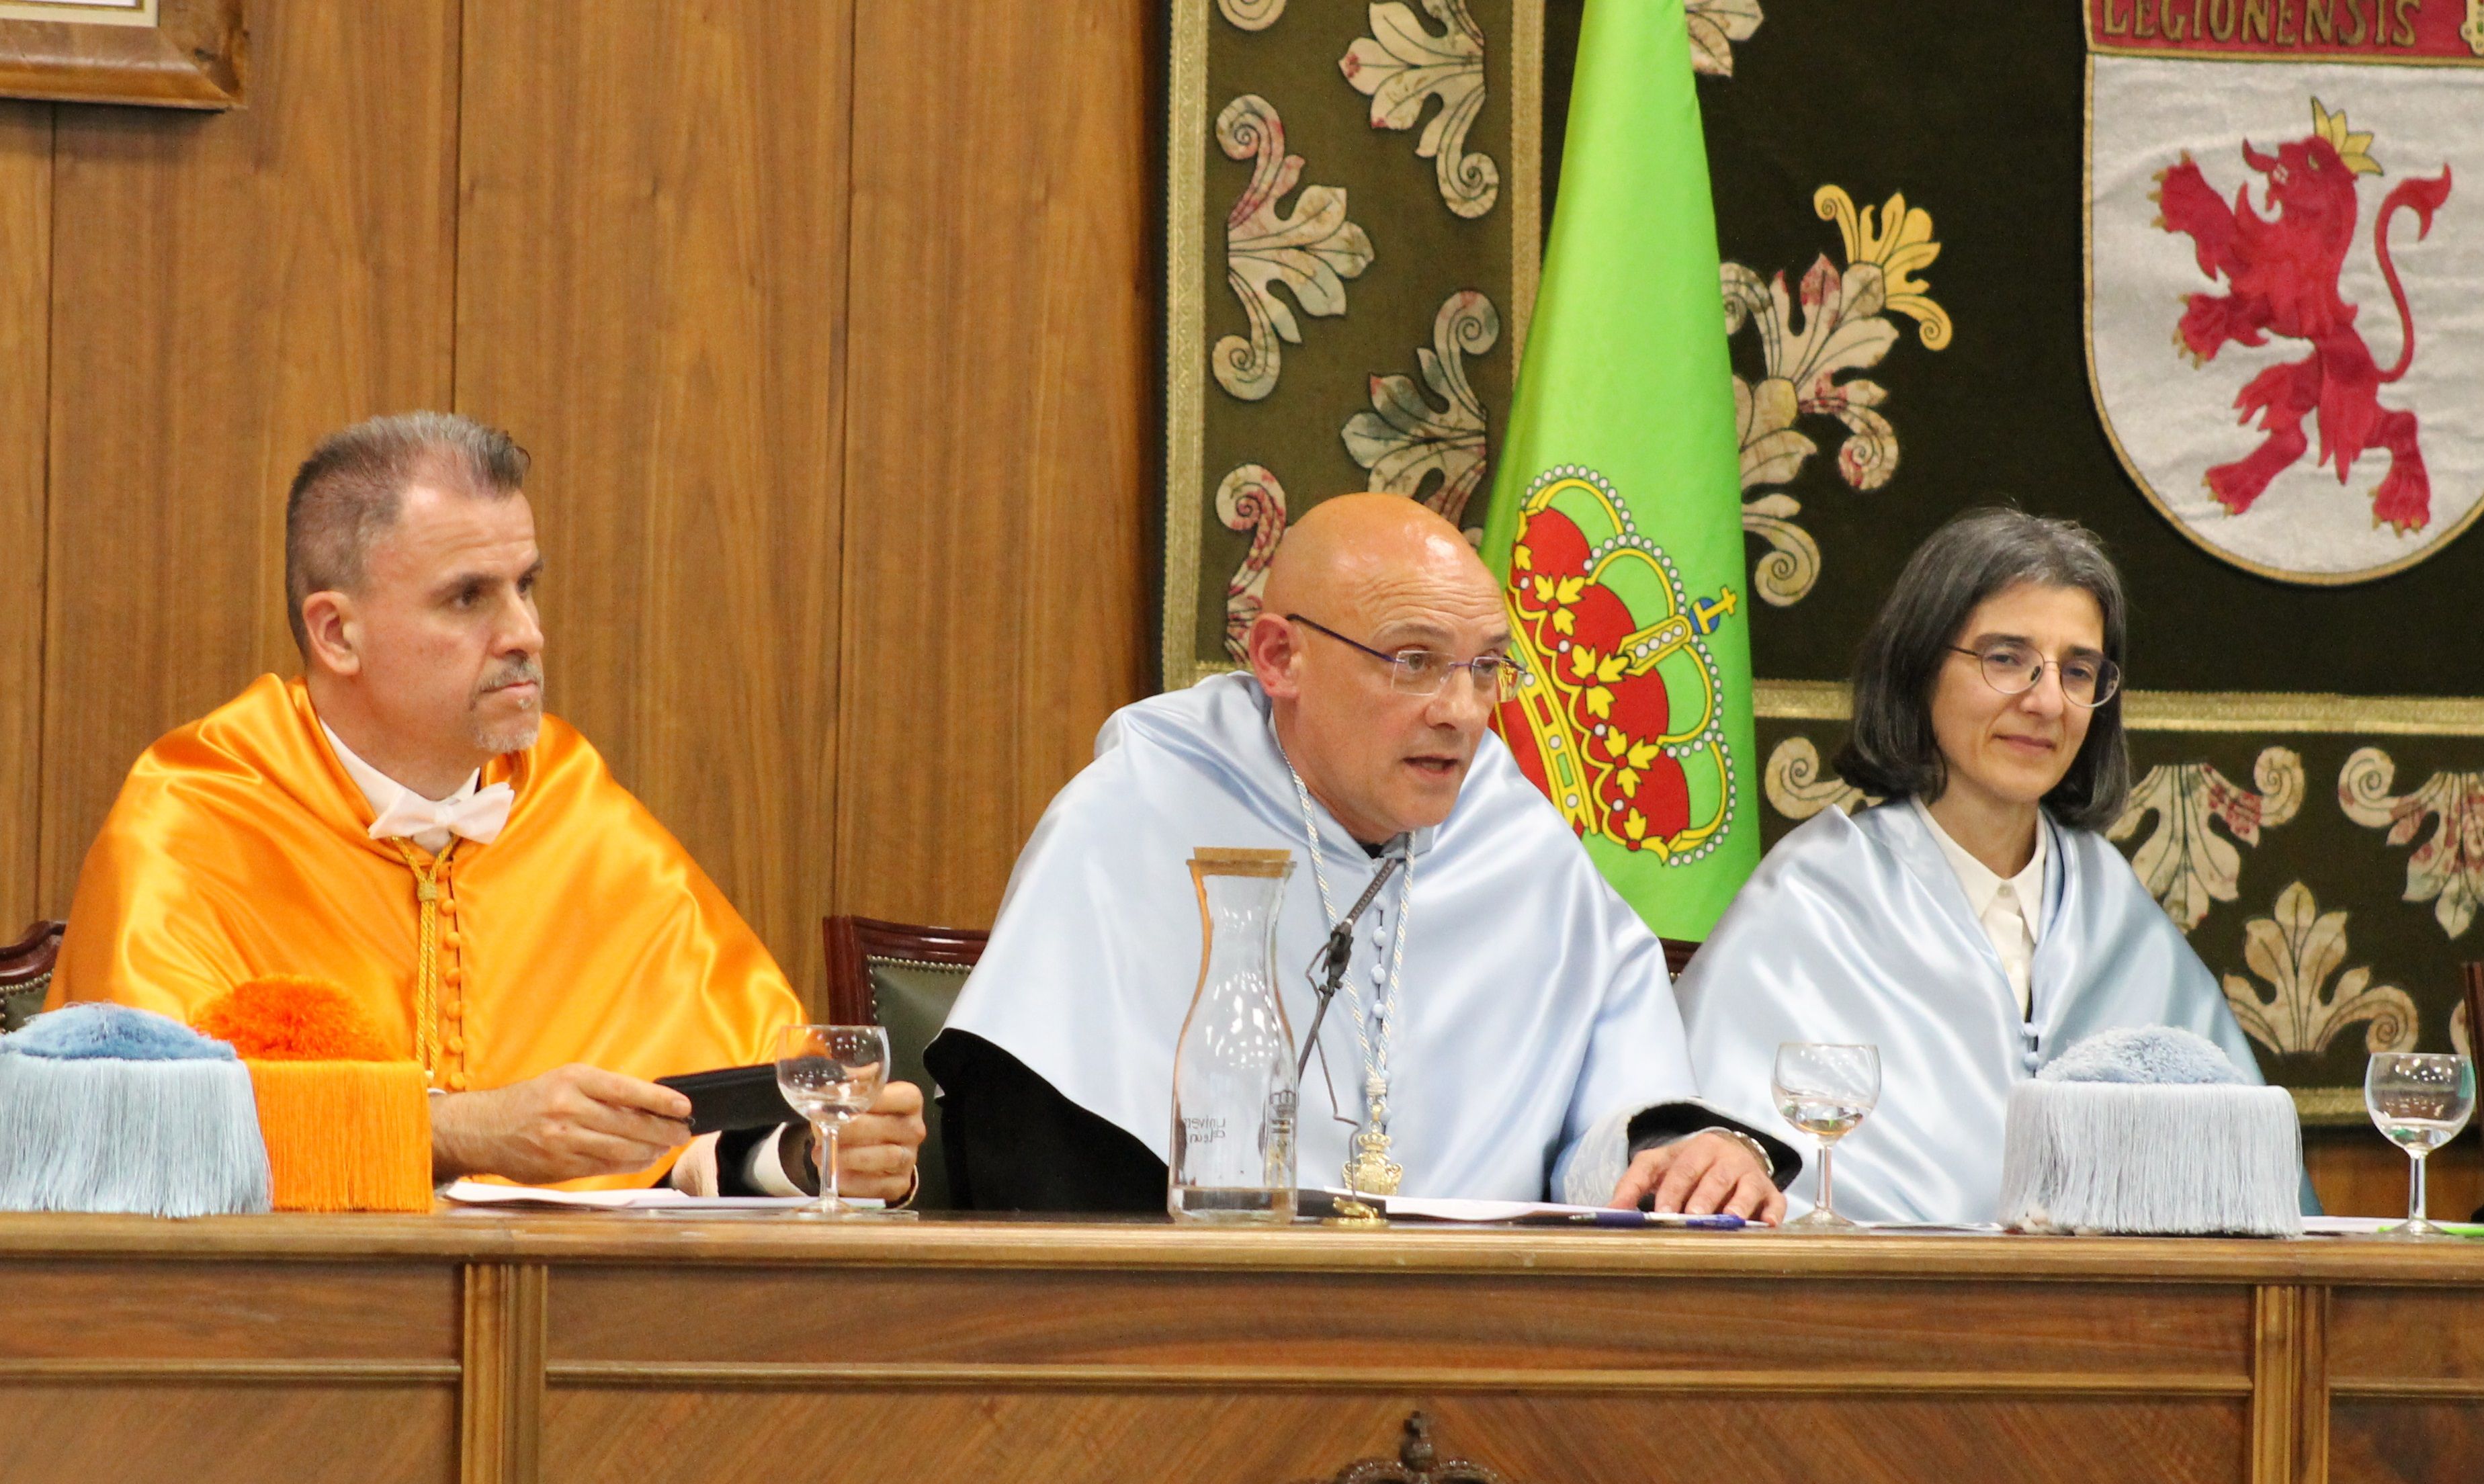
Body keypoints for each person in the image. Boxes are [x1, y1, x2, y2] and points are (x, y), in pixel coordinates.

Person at [52, 412, 925, 1198]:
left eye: (527, 585)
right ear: (336, 632)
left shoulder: (573, 806)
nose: (525, 634)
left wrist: (810, 1156)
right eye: (469, 597)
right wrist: (459, 1131)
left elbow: (685, 1127)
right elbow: (137, 1139)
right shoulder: (194, 822)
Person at [929, 494, 1796, 1219]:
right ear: (1279, 658)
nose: (1461, 710)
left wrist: (1694, 1154)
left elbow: (1624, 1125)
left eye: (1486, 667)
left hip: (1478, 1362)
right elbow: (1031, 1171)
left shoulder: (1518, 843)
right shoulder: (1133, 820)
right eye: (1414, 661)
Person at [1676, 508, 2291, 1225]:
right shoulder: (1815, 897)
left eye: (2078, 669)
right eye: (2006, 658)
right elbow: (1710, 1161)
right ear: (1918, 667)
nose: (2045, 701)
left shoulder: (2114, 910)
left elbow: (2247, 1190)